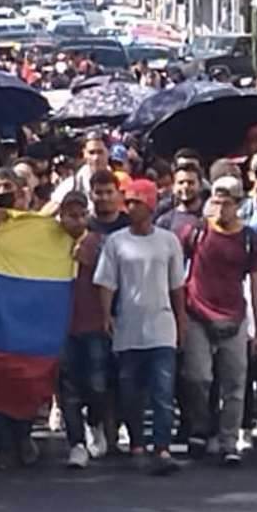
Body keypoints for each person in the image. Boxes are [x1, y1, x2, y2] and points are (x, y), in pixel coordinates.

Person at [94, 178, 186, 474]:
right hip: (129, 326)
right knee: (131, 392)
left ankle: (162, 448)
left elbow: (177, 286)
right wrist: (106, 314)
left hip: (161, 325)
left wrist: (181, 320)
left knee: (162, 392)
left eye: (136, 202)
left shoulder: (168, 241)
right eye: (129, 202)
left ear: (149, 205)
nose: (130, 208)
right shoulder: (116, 241)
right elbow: (106, 282)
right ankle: (137, 443)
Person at [178, 176, 257, 467]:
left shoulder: (250, 240)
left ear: (238, 204)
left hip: (234, 317)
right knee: (198, 377)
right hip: (197, 314)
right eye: (215, 202)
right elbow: (177, 269)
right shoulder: (196, 232)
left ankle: (229, 441)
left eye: (226, 203)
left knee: (235, 385)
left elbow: (256, 285)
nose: (220, 209)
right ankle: (201, 428)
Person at [56, 191, 111, 467]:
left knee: (97, 385)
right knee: (68, 389)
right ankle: (76, 443)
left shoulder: (100, 243)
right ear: (61, 217)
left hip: (94, 324)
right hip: (61, 327)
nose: (76, 221)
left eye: (81, 215)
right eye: (70, 216)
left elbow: (113, 279)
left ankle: (95, 422)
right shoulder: (49, 244)